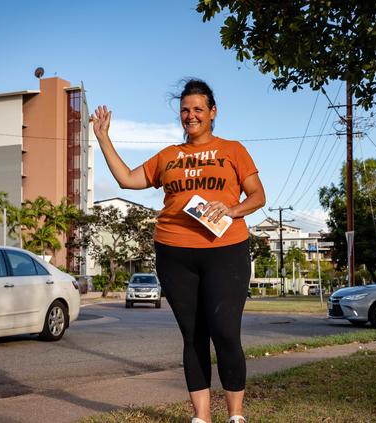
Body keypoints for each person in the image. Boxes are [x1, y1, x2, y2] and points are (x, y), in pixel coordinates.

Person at [91, 79, 265, 423]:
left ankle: (235, 415)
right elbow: (127, 179)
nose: (191, 115)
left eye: (198, 109)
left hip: (226, 249)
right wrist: (103, 138)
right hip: (174, 252)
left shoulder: (233, 150)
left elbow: (258, 197)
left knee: (225, 332)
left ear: (213, 113)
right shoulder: (169, 156)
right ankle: (201, 417)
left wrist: (231, 210)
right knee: (193, 336)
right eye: (185, 110)